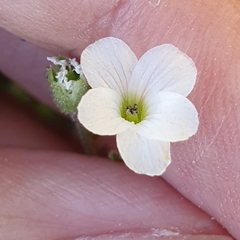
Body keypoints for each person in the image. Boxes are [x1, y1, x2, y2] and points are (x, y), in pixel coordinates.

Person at [0, 0, 238, 239]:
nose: (132, 111)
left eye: (133, 111)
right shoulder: (106, 92)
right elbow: (101, 70)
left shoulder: (141, 118)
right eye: (131, 111)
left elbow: (174, 74)